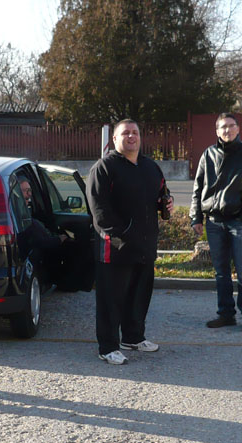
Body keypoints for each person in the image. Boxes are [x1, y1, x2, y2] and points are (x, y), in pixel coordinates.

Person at [86, 119, 173, 365]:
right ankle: (108, 347)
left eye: (135, 132)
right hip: (115, 248)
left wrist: (166, 203)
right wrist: (122, 235)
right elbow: (99, 210)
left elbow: (161, 195)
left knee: (139, 296)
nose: (131, 137)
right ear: (114, 139)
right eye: (125, 133)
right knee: (111, 300)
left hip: (145, 246)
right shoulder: (104, 168)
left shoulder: (150, 167)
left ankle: (133, 338)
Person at [190, 113, 242, 332]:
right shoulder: (208, 154)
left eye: (231, 126)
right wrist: (196, 217)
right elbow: (198, 188)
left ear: (238, 129)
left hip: (238, 222)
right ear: (217, 131)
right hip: (214, 222)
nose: (227, 130)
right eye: (223, 127)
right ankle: (226, 314)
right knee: (221, 272)